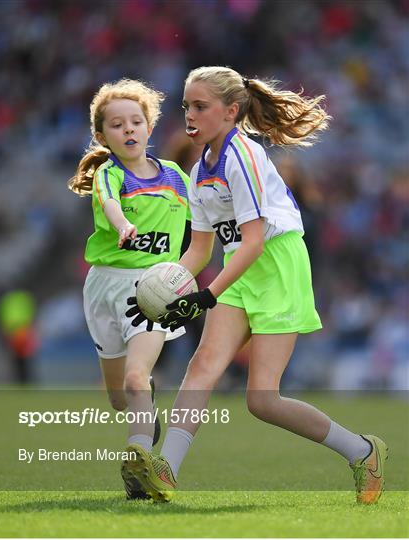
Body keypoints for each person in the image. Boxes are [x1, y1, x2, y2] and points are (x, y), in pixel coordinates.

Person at [124, 66, 388, 504]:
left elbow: (252, 242)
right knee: (202, 364)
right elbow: (200, 251)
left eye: (201, 107)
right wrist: (169, 288)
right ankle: (166, 469)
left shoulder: (240, 156)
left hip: (278, 264)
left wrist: (205, 295)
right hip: (241, 268)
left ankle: (363, 451)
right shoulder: (198, 172)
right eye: (186, 105)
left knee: (262, 400)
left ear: (230, 112)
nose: (189, 115)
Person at [68, 79, 191, 500]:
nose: (128, 129)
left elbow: (207, 218)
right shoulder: (109, 174)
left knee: (137, 380)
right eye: (117, 125)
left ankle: (138, 463)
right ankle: (143, 409)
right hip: (104, 286)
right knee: (120, 397)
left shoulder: (176, 176)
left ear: (149, 126)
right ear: (102, 136)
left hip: (153, 289)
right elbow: (110, 205)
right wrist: (122, 225)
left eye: (136, 121)